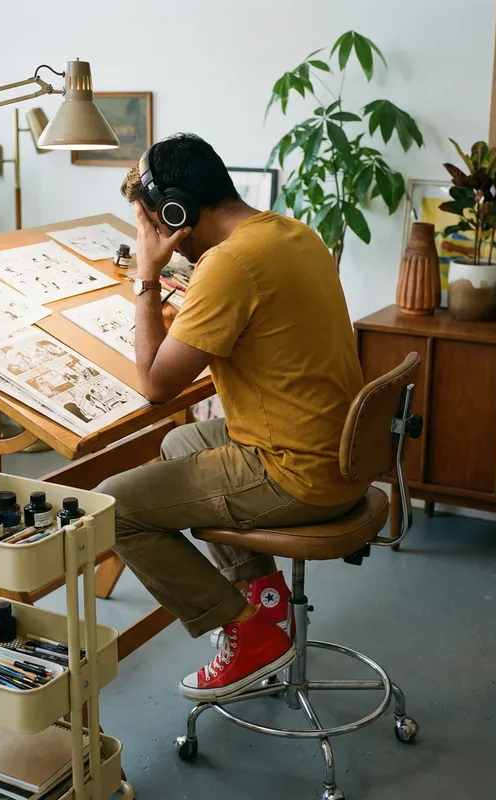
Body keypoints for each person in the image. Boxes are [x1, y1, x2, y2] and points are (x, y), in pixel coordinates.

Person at [96, 133, 366, 702]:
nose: (152, 236)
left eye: (151, 223)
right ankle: (266, 604)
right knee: (179, 445)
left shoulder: (229, 265)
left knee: (112, 510)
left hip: (297, 473)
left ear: (176, 212)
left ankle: (247, 635)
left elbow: (154, 384)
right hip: (342, 450)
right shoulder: (292, 233)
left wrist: (147, 275)